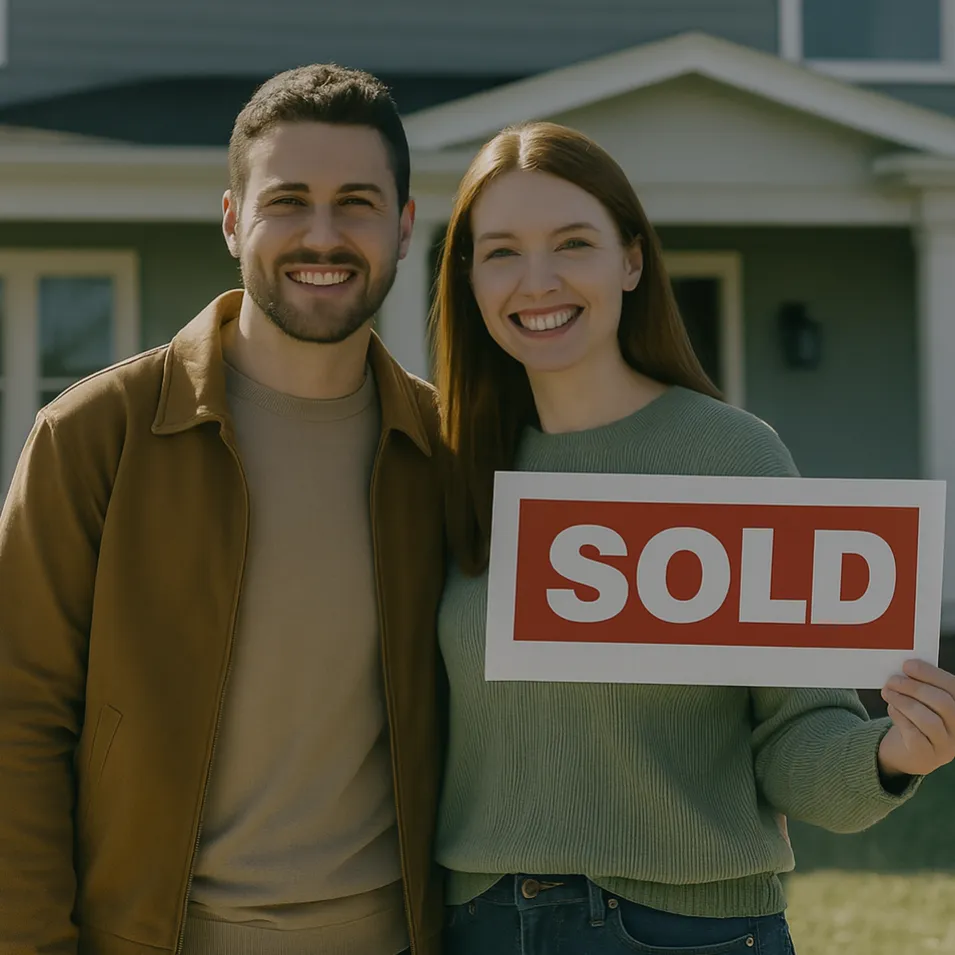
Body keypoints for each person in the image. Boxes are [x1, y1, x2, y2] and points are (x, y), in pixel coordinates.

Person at [429, 120, 955, 955]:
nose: (537, 280)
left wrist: (892, 754)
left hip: (681, 930)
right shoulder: (446, 464)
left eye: (572, 242)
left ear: (630, 259)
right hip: (480, 924)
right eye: (500, 251)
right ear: (465, 276)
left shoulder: (728, 455)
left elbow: (793, 735)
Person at [0, 65, 446, 955]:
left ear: (402, 226)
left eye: (356, 203)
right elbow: (17, 719)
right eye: (288, 201)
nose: (323, 235)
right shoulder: (96, 436)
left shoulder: (443, 449)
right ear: (233, 217)